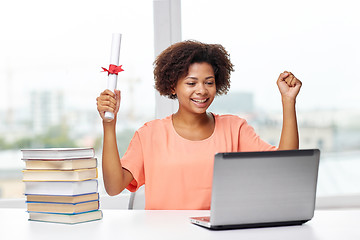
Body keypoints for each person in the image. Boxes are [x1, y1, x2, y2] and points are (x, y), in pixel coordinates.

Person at [96, 40, 302, 210]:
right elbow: (114, 187)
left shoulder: (234, 128)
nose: (202, 90)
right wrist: (109, 125)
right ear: (172, 86)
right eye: (191, 83)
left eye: (209, 82)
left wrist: (288, 101)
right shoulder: (150, 134)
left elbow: (284, 166)